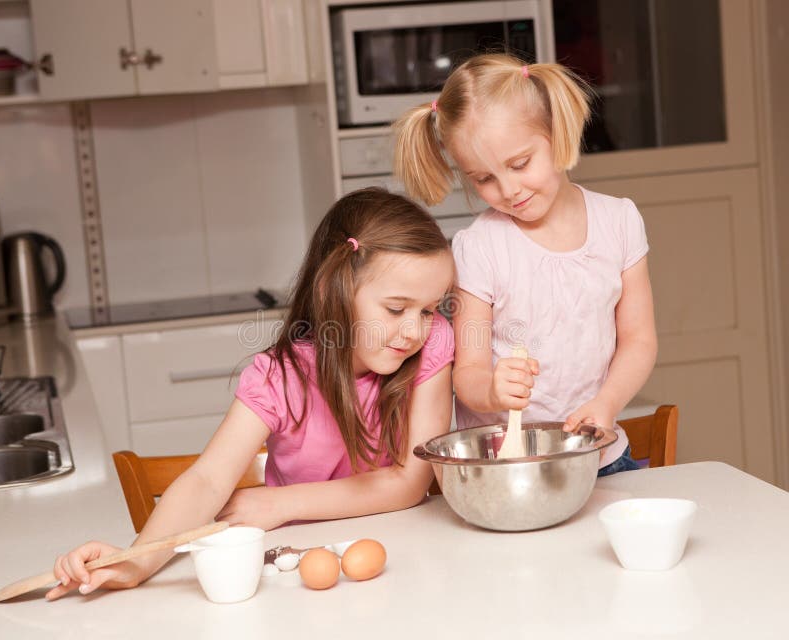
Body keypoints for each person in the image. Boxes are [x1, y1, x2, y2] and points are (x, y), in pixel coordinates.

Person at [47, 187, 455, 600]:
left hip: (403, 564)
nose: (414, 330)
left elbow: (409, 483)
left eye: (427, 309)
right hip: (293, 573)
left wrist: (280, 504)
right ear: (334, 291)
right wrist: (133, 563)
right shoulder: (280, 377)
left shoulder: (433, 346)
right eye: (395, 308)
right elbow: (207, 480)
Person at [393, 53, 657, 475]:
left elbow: (639, 340)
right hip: (506, 470)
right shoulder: (479, 247)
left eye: (520, 164)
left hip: (597, 458)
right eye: (483, 179)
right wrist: (492, 392)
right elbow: (469, 373)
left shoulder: (619, 221)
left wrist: (607, 403)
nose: (509, 190)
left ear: (557, 130)